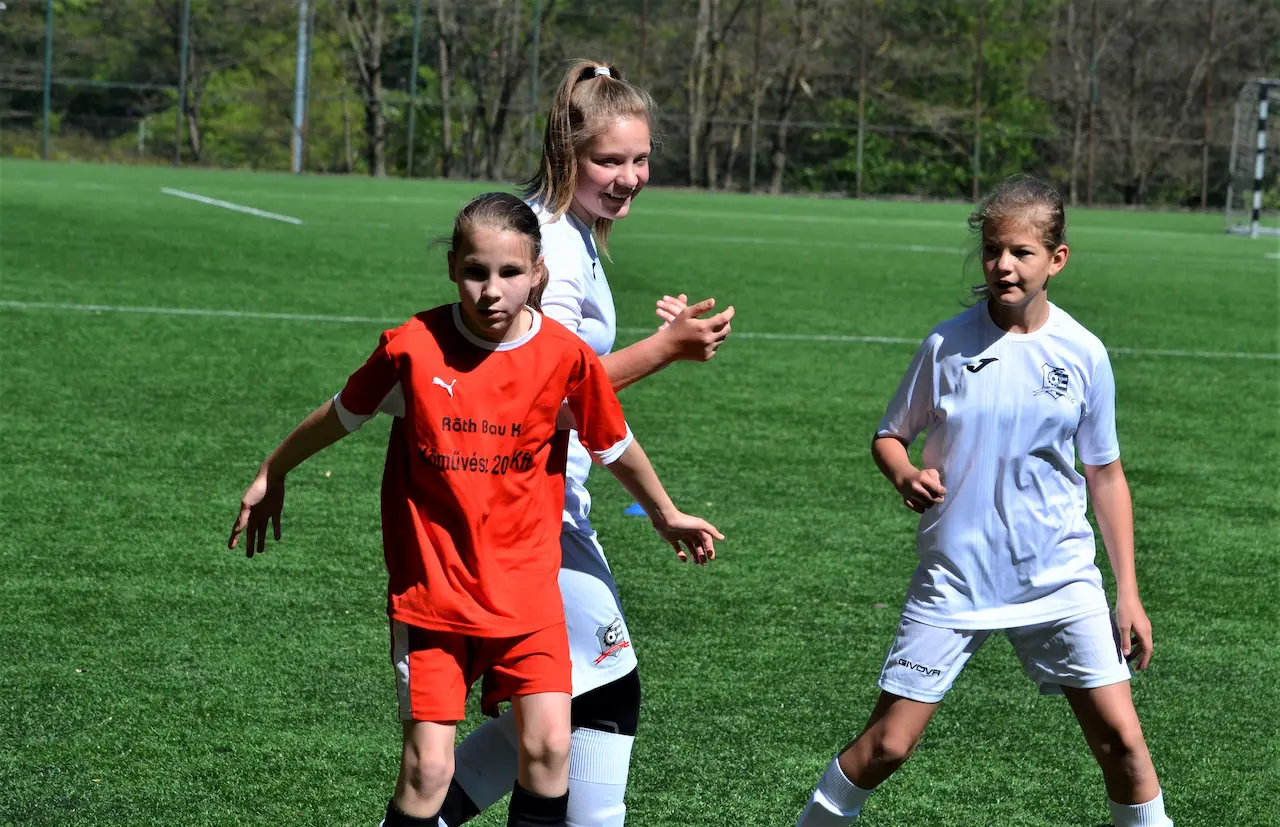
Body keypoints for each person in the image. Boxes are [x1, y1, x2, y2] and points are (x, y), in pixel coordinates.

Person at [227, 192, 722, 827]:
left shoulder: (565, 357)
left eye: (510, 272)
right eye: (475, 271)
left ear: (538, 273)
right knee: (427, 770)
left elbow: (614, 445)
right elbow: (342, 413)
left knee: (549, 748)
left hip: (527, 593)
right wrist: (273, 469)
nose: (491, 290)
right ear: (452, 268)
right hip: (434, 596)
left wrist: (665, 514)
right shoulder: (412, 346)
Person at [796, 175, 1172, 827]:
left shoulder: (1083, 353)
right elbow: (889, 435)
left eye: (1022, 252)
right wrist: (903, 473)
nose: (1003, 264)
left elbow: (1106, 475)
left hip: (1057, 575)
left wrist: (1128, 593)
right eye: (994, 249)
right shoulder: (946, 345)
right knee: (887, 745)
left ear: (1056, 259)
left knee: (1123, 744)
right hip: (956, 578)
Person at [439, 61, 735, 827]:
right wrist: (665, 348)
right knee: (605, 692)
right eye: (610, 160)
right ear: (567, 153)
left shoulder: (572, 234)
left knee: (566, 703)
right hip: (528, 508)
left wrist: (666, 337)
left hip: (543, 500)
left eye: (641, 159)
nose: (630, 177)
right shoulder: (557, 248)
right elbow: (551, 388)